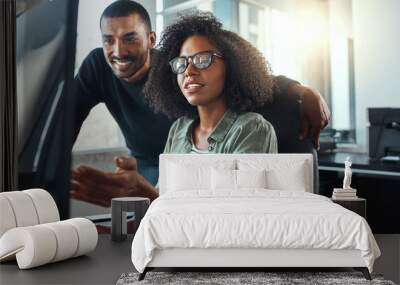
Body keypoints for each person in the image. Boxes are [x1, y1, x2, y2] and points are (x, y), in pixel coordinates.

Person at [71, 0, 330, 204]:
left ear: (150, 40)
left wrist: (303, 90)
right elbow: (66, 120)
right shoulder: (179, 123)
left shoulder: (249, 129)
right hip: (157, 162)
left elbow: (230, 211)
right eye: (109, 40)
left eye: (130, 38)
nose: (118, 51)